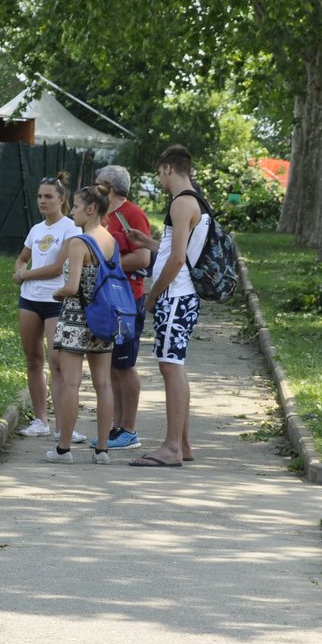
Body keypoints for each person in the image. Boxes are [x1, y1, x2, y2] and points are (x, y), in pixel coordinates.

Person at [126, 145, 208, 468]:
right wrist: (147, 243)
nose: (159, 179)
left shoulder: (181, 203)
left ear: (167, 169)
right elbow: (180, 250)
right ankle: (182, 443)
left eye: (159, 173)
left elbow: (177, 260)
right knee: (171, 364)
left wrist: (152, 295)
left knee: (171, 367)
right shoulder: (195, 200)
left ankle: (172, 447)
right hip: (181, 295)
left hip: (175, 296)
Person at [45, 182, 120, 463]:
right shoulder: (111, 240)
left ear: (90, 209)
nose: (72, 211)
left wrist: (59, 291)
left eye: (75, 206)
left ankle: (64, 448)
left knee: (70, 384)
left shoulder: (79, 242)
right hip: (104, 319)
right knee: (104, 384)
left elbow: (72, 285)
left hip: (76, 318)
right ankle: (102, 449)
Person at [11, 174, 80, 440]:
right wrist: (19, 270)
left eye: (49, 196)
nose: (43, 200)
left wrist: (24, 275)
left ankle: (65, 426)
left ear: (62, 199)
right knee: (33, 359)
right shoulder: (36, 229)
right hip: (29, 301)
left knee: (57, 362)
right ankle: (41, 419)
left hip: (56, 301)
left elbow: (55, 269)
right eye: (40, 196)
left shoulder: (71, 229)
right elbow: (22, 258)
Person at [95, 164, 152, 450]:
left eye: (97, 183)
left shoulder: (132, 214)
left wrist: (108, 266)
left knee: (125, 365)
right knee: (113, 367)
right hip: (106, 299)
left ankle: (129, 428)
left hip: (128, 298)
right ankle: (116, 426)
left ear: (109, 185)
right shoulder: (103, 214)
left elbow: (142, 258)